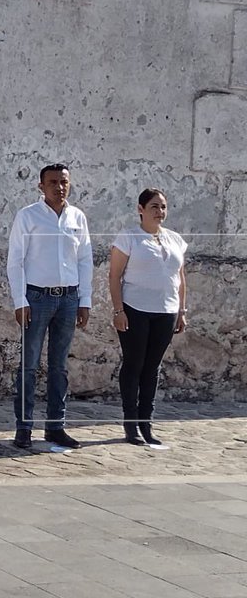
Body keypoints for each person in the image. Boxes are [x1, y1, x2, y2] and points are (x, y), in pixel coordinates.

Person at [7, 163, 93, 449]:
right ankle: (24, 428)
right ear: (41, 186)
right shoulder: (28, 217)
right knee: (29, 366)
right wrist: (20, 300)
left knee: (59, 367)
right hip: (37, 298)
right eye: (53, 182)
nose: (59, 187)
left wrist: (85, 300)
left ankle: (56, 426)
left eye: (64, 182)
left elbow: (84, 260)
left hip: (68, 298)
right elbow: (16, 260)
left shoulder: (77, 217)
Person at [109, 189, 187, 445]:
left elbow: (180, 278)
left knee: (152, 367)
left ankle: (146, 422)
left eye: (163, 207)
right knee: (134, 364)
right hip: (135, 309)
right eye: (154, 206)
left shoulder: (175, 239)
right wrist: (119, 310)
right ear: (141, 208)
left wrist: (182, 310)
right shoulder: (129, 237)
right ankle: (130, 423)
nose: (160, 211)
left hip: (166, 311)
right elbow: (114, 276)